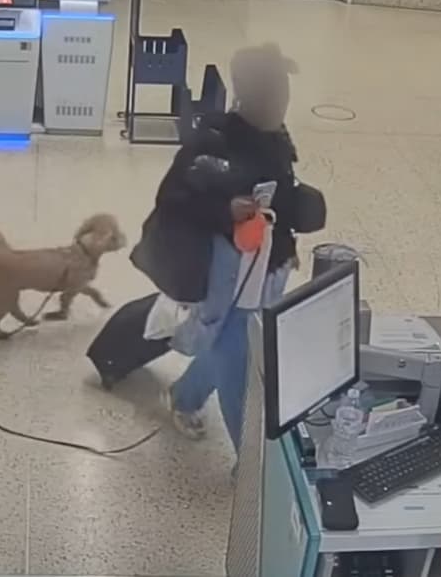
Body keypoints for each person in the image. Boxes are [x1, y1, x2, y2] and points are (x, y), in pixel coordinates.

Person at [130, 43, 326, 451]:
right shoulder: (214, 141)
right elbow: (174, 199)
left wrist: (298, 211)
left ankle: (184, 397)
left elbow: (278, 193)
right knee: (236, 356)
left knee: (231, 344)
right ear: (248, 97)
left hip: (269, 265)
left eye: (285, 94)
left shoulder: (276, 137)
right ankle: (251, 464)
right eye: (274, 95)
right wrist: (225, 210)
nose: (282, 103)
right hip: (228, 271)